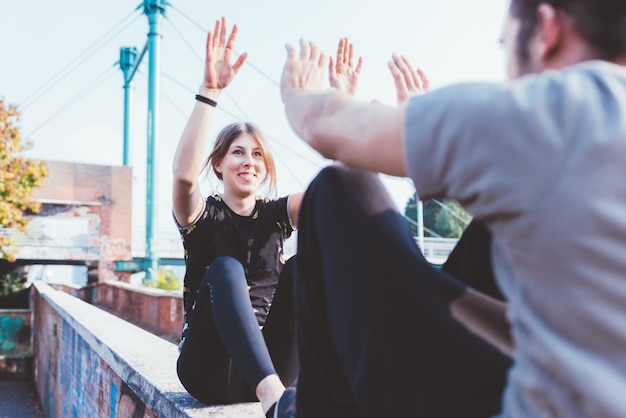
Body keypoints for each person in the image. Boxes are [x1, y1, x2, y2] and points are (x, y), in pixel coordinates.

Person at [279, 0, 626, 417]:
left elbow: (325, 125)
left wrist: (299, 92)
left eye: (505, 46)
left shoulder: (552, 109)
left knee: (339, 191)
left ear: (546, 30)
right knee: (490, 229)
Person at [172, 18, 364, 418]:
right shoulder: (201, 215)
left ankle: (324, 389)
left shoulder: (277, 215)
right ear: (220, 163)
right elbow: (184, 176)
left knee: (303, 267)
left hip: (275, 364)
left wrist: (342, 109)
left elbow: (337, 194)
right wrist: (209, 91)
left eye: (257, 154)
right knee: (225, 269)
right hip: (207, 370)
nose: (249, 161)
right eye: (239, 152)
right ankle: (275, 399)